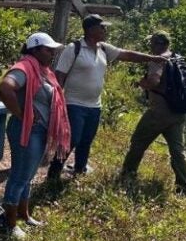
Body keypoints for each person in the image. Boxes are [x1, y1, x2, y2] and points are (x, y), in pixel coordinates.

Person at [53, 14, 166, 176]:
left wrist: (152, 58)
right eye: (102, 27)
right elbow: (60, 75)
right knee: (72, 139)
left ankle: (79, 169)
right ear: (91, 29)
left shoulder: (104, 48)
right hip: (73, 103)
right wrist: (57, 101)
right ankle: (54, 171)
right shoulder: (74, 48)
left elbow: (127, 55)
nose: (105, 30)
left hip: (94, 105)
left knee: (86, 140)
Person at [0, 32, 71, 240]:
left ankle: (24, 214)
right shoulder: (24, 67)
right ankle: (9, 224)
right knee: (20, 176)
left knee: (28, 177)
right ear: (35, 50)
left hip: (39, 131)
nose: (52, 53)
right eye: (49, 50)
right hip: (27, 129)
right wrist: (22, 115)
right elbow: (5, 87)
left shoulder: (43, 71)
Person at [119, 31, 186, 195]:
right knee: (178, 151)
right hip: (178, 113)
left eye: (152, 43)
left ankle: (127, 175)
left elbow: (153, 82)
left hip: (159, 112)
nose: (150, 47)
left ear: (158, 44)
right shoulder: (178, 58)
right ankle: (184, 188)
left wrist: (140, 83)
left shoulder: (157, 60)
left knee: (138, 141)